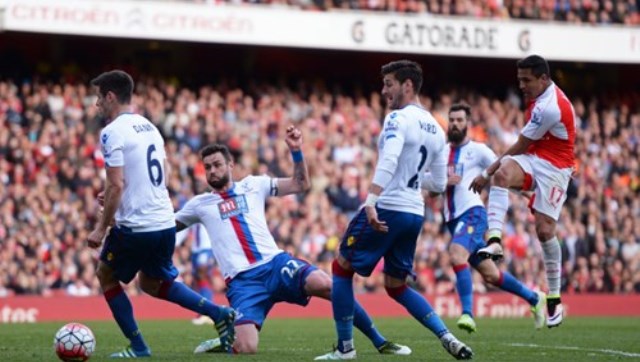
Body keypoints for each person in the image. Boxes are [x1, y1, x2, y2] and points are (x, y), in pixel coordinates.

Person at [177, 135, 410, 356]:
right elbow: (166, 226)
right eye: (207, 167)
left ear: (230, 164)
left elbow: (300, 184)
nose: (212, 171)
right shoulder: (199, 204)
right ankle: (228, 339)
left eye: (217, 164)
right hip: (242, 282)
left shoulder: (254, 184)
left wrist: (297, 152)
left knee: (328, 285)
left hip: (275, 264)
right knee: (246, 347)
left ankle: (380, 341)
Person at [315, 60, 473, 361]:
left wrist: (371, 201)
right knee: (396, 286)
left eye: (389, 83)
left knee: (340, 268)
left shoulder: (397, 119)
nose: (384, 90)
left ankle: (345, 348)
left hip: (387, 206)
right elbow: (438, 182)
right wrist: (410, 179)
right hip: (414, 213)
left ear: (407, 85)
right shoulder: (438, 130)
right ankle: (447, 336)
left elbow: (388, 161)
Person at [86, 70, 236, 358]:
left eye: (98, 98)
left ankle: (139, 347)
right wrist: (125, 190)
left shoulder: (111, 131)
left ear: (110, 96)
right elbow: (163, 175)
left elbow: (115, 183)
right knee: (151, 283)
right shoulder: (149, 127)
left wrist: (100, 229)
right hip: (165, 223)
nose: (96, 105)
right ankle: (218, 313)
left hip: (137, 227)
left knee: (105, 275)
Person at [470, 55, 576, 328]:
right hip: (536, 156)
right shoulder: (539, 97)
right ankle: (494, 239)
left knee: (544, 231)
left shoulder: (550, 107)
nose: (521, 85)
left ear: (543, 79)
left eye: (526, 80)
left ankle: (554, 297)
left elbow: (520, 144)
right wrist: (498, 172)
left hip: (556, 167)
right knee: (505, 173)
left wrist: (486, 172)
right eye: (519, 80)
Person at [439, 102, 546, 332]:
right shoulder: (441, 153)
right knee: (490, 275)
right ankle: (535, 299)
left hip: (472, 214)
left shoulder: (478, 151)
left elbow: (504, 172)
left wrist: (529, 194)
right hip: (452, 220)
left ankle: (467, 313)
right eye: (452, 120)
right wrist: (441, 182)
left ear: (467, 123)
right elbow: (430, 184)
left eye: (460, 120)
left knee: (456, 255)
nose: (455, 124)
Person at [176, 224, 216, 325]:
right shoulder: (191, 211)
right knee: (198, 279)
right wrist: (177, 242)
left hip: (206, 248)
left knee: (203, 275)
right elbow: (185, 228)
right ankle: (205, 312)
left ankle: (207, 313)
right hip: (195, 250)